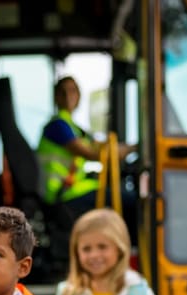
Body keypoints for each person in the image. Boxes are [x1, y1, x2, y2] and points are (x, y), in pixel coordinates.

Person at [37, 76, 137, 236]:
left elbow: (102, 145)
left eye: (73, 91)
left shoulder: (74, 128)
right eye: (63, 92)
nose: (69, 95)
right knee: (134, 203)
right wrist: (132, 149)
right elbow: (93, 153)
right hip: (63, 194)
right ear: (56, 97)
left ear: (79, 97)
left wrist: (133, 147)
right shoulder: (57, 126)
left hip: (73, 188)